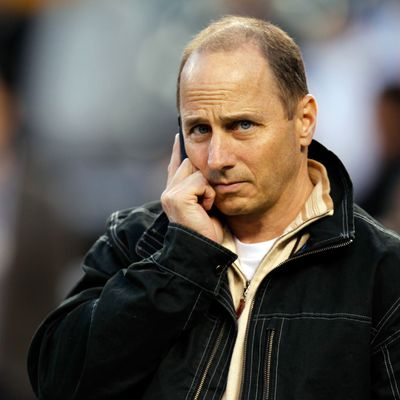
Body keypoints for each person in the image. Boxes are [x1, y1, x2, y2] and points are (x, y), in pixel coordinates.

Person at [27, 16, 400, 399]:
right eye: (199, 130)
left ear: (304, 120)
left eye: (242, 125)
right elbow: (58, 384)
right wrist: (181, 259)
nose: (218, 157)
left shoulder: (382, 270)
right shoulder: (135, 241)